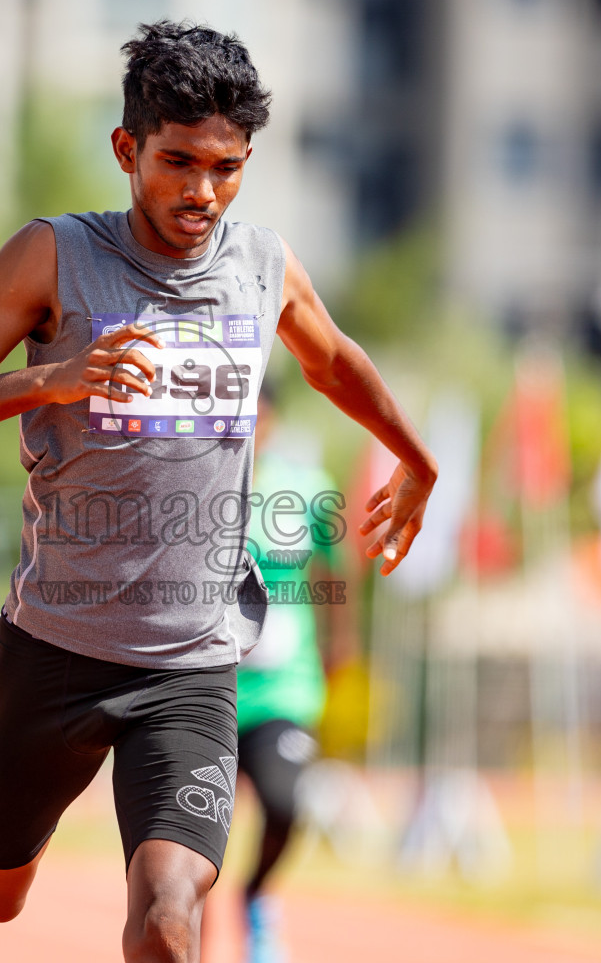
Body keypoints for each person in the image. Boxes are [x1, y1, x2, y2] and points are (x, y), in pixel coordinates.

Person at [0, 21, 437, 963]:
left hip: (190, 663)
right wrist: (50, 381)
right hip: (54, 646)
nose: (203, 192)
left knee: (172, 916)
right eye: (179, 163)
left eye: (228, 168)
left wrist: (417, 460)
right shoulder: (53, 259)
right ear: (128, 149)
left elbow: (336, 359)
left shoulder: (262, 266)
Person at [232, 382, 356, 963]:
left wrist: (342, 641)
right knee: (190, 836)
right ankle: (182, 928)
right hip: (203, 685)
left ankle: (256, 895)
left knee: (285, 804)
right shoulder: (192, 479)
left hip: (282, 687)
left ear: (272, 415)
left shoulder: (305, 487)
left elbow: (339, 565)